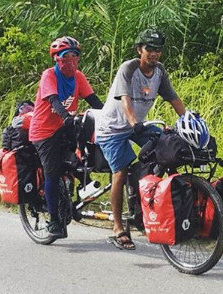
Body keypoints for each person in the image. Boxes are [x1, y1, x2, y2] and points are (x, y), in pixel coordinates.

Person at [95, 28, 186, 250]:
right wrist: (134, 121)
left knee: (167, 148)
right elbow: (125, 98)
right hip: (114, 128)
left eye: (158, 50)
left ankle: (145, 206)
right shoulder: (129, 68)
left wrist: (189, 119)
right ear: (140, 50)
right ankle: (118, 227)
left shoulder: (160, 72)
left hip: (140, 126)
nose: (154, 54)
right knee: (121, 171)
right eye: (149, 49)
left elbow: (173, 99)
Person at [29, 36, 103, 238]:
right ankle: (54, 221)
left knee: (79, 163)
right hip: (44, 132)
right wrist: (65, 116)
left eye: (74, 56)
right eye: (65, 57)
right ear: (56, 59)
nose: (70, 61)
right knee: (52, 173)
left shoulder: (79, 77)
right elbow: (54, 100)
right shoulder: (49, 76)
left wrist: (110, 115)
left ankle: (72, 201)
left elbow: (93, 100)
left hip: (65, 128)